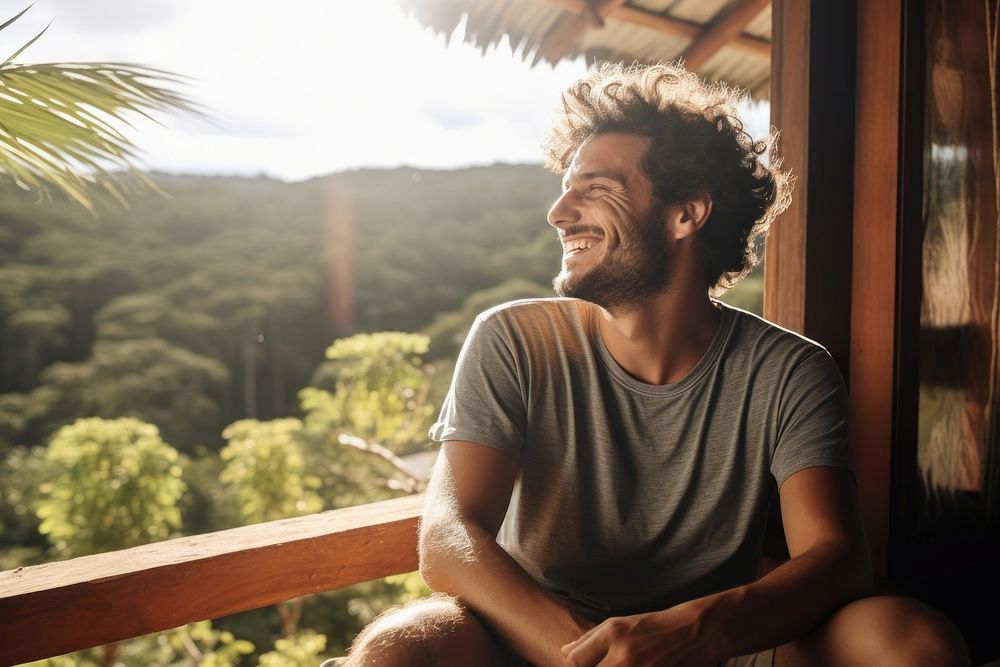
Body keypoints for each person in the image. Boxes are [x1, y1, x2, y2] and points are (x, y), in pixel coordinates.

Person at [342, 63, 969, 666]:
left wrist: (697, 632)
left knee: (911, 642)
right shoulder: (513, 339)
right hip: (537, 640)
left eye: (596, 189)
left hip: (710, 645)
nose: (559, 214)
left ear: (686, 214)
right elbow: (448, 537)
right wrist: (590, 656)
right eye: (564, 190)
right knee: (403, 647)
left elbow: (836, 558)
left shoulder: (788, 371)